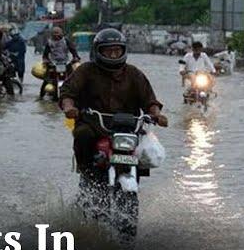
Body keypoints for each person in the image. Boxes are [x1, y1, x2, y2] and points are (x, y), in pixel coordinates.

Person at [59, 28, 168, 175]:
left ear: (123, 51)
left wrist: (157, 115)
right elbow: (68, 92)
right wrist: (69, 108)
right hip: (94, 124)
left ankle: (136, 173)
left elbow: (149, 99)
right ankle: (86, 172)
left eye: (117, 50)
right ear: (98, 51)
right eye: (108, 51)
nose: (113, 54)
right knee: (82, 134)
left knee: (142, 148)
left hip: (127, 127)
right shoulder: (86, 70)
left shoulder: (133, 73)